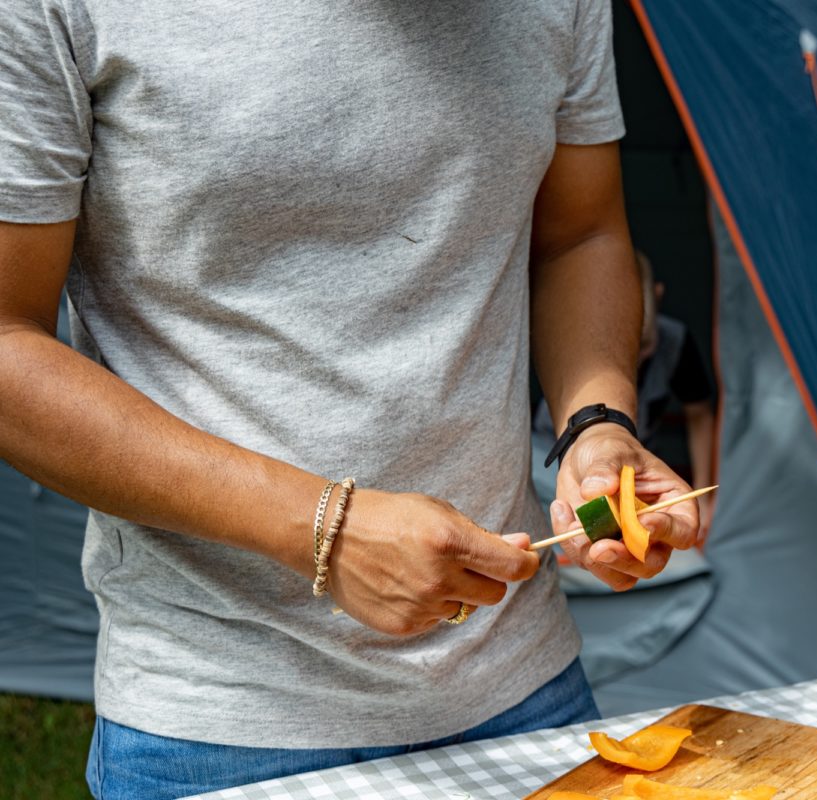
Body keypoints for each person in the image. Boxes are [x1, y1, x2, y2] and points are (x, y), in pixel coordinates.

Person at [0, 2, 699, 798]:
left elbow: (581, 232)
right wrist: (322, 528)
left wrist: (597, 422)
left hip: (524, 687)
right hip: (221, 724)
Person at [533, 251, 716, 540]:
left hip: (634, 458)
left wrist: (702, 493)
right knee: (578, 525)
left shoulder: (677, 343)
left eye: (644, 348)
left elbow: (700, 415)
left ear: (657, 296)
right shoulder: (570, 336)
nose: (634, 366)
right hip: (546, 453)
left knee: (609, 533)